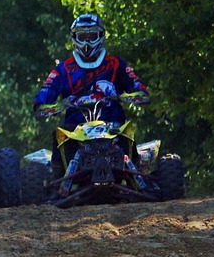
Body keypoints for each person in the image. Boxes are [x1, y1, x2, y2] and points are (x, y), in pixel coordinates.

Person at [33, 13, 149, 173]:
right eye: (82, 36)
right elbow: (42, 100)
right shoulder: (64, 69)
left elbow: (141, 92)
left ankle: (136, 173)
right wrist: (57, 105)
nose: (87, 42)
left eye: (92, 36)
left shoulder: (115, 65)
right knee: (59, 135)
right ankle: (57, 181)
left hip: (113, 125)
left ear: (100, 36)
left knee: (127, 131)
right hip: (75, 129)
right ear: (74, 37)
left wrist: (123, 97)